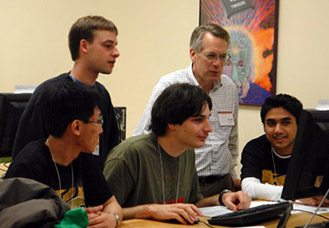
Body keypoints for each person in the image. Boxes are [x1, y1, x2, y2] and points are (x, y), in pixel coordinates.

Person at [104, 83, 251, 225]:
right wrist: (148, 210)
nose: (209, 128)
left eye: (208, 118)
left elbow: (193, 202)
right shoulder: (129, 154)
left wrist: (222, 197)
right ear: (172, 122)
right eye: (198, 120)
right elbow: (101, 213)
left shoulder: (187, 151)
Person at [133, 24, 240, 197]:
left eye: (223, 57)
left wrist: (234, 176)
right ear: (193, 54)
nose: (217, 64)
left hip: (222, 184)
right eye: (211, 56)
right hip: (181, 183)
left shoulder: (229, 87)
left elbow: (232, 138)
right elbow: (142, 136)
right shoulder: (170, 86)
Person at [6, 81, 123, 228]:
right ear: (76, 127)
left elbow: (111, 203)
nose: (101, 130)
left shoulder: (84, 157)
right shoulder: (27, 167)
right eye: (98, 121)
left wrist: (112, 218)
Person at [12, 15, 120, 169]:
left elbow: (110, 149)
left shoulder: (102, 94)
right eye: (108, 45)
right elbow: (23, 162)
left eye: (115, 46)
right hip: (52, 190)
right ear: (84, 46)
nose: (116, 53)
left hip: (92, 188)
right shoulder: (49, 94)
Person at [240, 94, 303, 201]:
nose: (278, 130)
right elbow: (248, 188)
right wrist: (298, 196)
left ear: (300, 124)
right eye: (271, 123)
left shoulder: (317, 148)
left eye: (286, 123)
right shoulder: (254, 148)